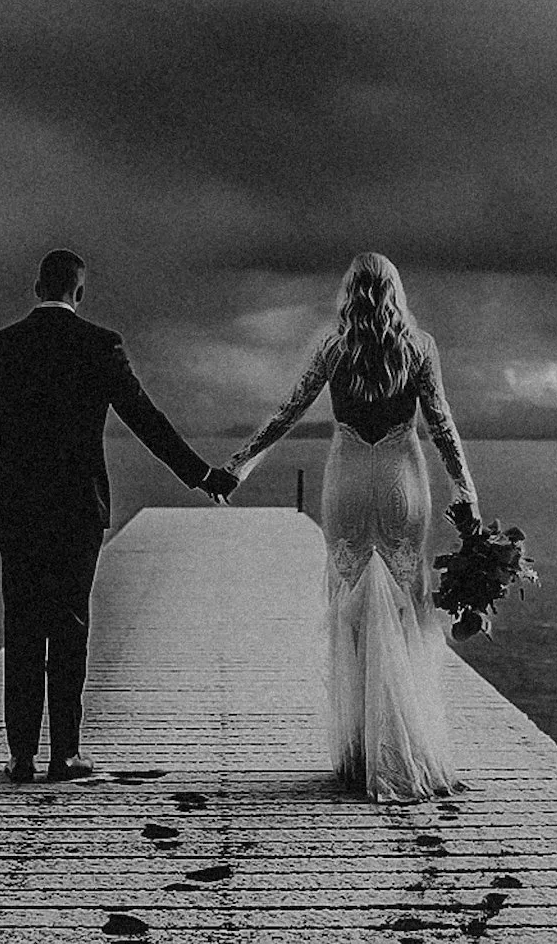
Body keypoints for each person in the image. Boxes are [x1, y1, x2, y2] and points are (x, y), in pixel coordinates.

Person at [0, 249, 238, 784]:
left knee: (21, 623)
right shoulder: (100, 344)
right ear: (80, 292)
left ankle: (20, 756)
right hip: (77, 508)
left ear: (37, 287)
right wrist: (202, 475)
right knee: (70, 625)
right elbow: (146, 420)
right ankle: (65, 754)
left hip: (17, 508)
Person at [221, 252, 477, 802]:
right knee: (403, 609)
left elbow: (288, 412)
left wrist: (240, 465)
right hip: (403, 479)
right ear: (395, 292)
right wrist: (466, 491)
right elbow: (441, 424)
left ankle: (360, 755)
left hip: (349, 480)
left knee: (353, 609)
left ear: (351, 294)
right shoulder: (419, 347)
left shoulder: (334, 349)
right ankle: (406, 748)